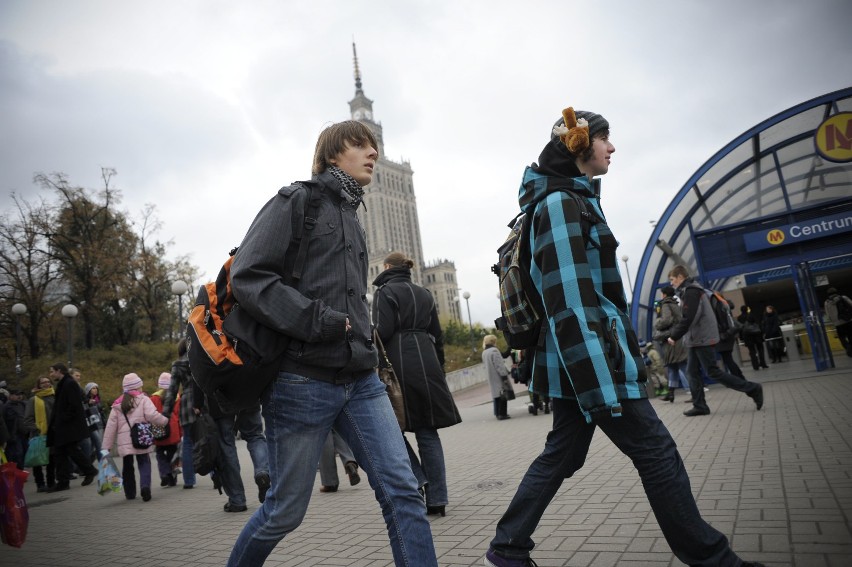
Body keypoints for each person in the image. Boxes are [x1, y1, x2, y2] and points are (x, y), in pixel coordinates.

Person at [483, 106, 765, 567]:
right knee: (656, 451)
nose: (612, 147)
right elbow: (570, 303)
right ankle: (715, 560)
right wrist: (599, 385)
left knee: (565, 453)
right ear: (578, 145)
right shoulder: (559, 205)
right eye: (603, 138)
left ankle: (508, 546)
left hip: (584, 355)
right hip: (592, 358)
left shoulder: (572, 199)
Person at [226, 120, 437, 567]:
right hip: (301, 381)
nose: (373, 153)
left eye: (374, 146)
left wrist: (363, 342)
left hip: (361, 380)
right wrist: (317, 319)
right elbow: (248, 275)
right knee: (285, 512)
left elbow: (352, 301)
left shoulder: (352, 217)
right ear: (331, 154)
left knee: (403, 491)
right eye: (360, 145)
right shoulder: (296, 200)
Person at [372, 251, 462, 517]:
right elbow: (437, 333)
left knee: (390, 429)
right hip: (428, 362)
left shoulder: (385, 292)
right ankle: (438, 498)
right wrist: (439, 366)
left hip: (400, 364)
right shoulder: (424, 292)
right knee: (428, 432)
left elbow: (382, 331)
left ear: (387, 267)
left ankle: (419, 479)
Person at [667, 265, 764, 417]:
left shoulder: (691, 291)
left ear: (680, 277)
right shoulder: (689, 291)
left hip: (702, 338)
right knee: (692, 372)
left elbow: (689, 317)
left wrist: (674, 335)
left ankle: (752, 389)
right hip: (696, 339)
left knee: (713, 372)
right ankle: (700, 406)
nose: (671, 283)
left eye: (672, 279)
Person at [100, 373, 168, 501]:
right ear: (138, 387)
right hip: (141, 437)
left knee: (127, 466)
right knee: (144, 462)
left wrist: (106, 447)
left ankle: (130, 493)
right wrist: (164, 421)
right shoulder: (143, 399)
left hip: (124, 441)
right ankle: (145, 487)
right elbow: (152, 415)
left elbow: (110, 427)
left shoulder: (117, 404)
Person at [45, 363, 98, 491]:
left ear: (59, 371)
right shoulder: (64, 384)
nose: (51, 374)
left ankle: (88, 471)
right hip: (63, 426)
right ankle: (64, 481)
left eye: (52, 372)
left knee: (70, 450)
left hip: (68, 426)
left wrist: (63, 419)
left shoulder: (69, 384)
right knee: (61, 453)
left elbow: (74, 406)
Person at [162, 338, 199, 489]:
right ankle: (216, 474)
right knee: (208, 438)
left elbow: (172, 391)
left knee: (188, 443)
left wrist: (166, 413)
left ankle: (189, 481)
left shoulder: (177, 364)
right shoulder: (199, 359)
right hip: (202, 403)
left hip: (186, 406)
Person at [653, 285, 689, 402]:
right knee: (673, 367)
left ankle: (695, 392)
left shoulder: (666, 304)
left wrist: (657, 323)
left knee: (682, 366)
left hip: (671, 340)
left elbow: (666, 320)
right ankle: (671, 393)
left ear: (664, 294)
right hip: (676, 337)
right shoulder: (675, 303)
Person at [23, 376, 56, 491]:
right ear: (38, 385)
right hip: (38, 434)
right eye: (43, 383)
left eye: (48, 381)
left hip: (52, 434)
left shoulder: (54, 396)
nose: (46, 384)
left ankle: (51, 482)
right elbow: (27, 419)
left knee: (51, 460)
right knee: (37, 460)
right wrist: (36, 429)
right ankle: (40, 484)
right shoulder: (34, 399)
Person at [150, 373, 181, 488]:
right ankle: (172, 479)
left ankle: (164, 473)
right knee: (172, 454)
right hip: (173, 429)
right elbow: (179, 415)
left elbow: (150, 415)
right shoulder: (176, 397)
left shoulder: (153, 398)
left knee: (159, 453)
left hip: (159, 429)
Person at [482, 334, 511, 420]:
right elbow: (499, 365)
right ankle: (503, 414)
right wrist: (504, 376)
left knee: (496, 396)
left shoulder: (485, 352)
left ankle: (497, 413)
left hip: (491, 376)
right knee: (502, 395)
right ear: (493, 341)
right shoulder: (494, 351)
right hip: (498, 376)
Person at [716, 301, 746, 380]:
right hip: (727, 335)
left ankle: (738, 378)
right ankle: (739, 376)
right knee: (728, 359)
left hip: (724, 336)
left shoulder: (720, 308)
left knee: (728, 360)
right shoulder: (725, 307)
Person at [1, 389, 27, 469]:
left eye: (21, 394)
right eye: (17, 394)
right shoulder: (6, 407)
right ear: (10, 396)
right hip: (13, 435)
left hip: (24, 433)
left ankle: (20, 471)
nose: (19, 396)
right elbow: (3, 421)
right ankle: (16, 471)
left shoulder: (23, 404)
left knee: (23, 453)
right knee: (17, 454)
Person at [824, 287, 852, 357]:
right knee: (850, 335)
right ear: (836, 292)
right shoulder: (843, 297)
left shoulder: (827, 302)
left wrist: (833, 322)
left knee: (842, 337)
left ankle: (847, 347)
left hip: (837, 324)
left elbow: (828, 314)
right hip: (848, 320)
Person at [738, 306, 768, 370]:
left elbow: (740, 329)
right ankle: (763, 364)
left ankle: (755, 366)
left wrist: (741, 338)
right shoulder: (752, 315)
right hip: (757, 335)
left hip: (747, 336)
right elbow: (759, 324)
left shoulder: (739, 318)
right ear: (747, 309)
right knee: (760, 350)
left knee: (752, 351)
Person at [83, 382, 105, 461]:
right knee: (98, 443)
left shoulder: (98, 399)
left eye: (96, 388)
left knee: (93, 445)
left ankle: (88, 463)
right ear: (88, 390)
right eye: (93, 388)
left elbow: (101, 413)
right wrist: (88, 403)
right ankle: (102, 462)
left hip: (99, 424)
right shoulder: (85, 400)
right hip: (91, 425)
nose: (95, 390)